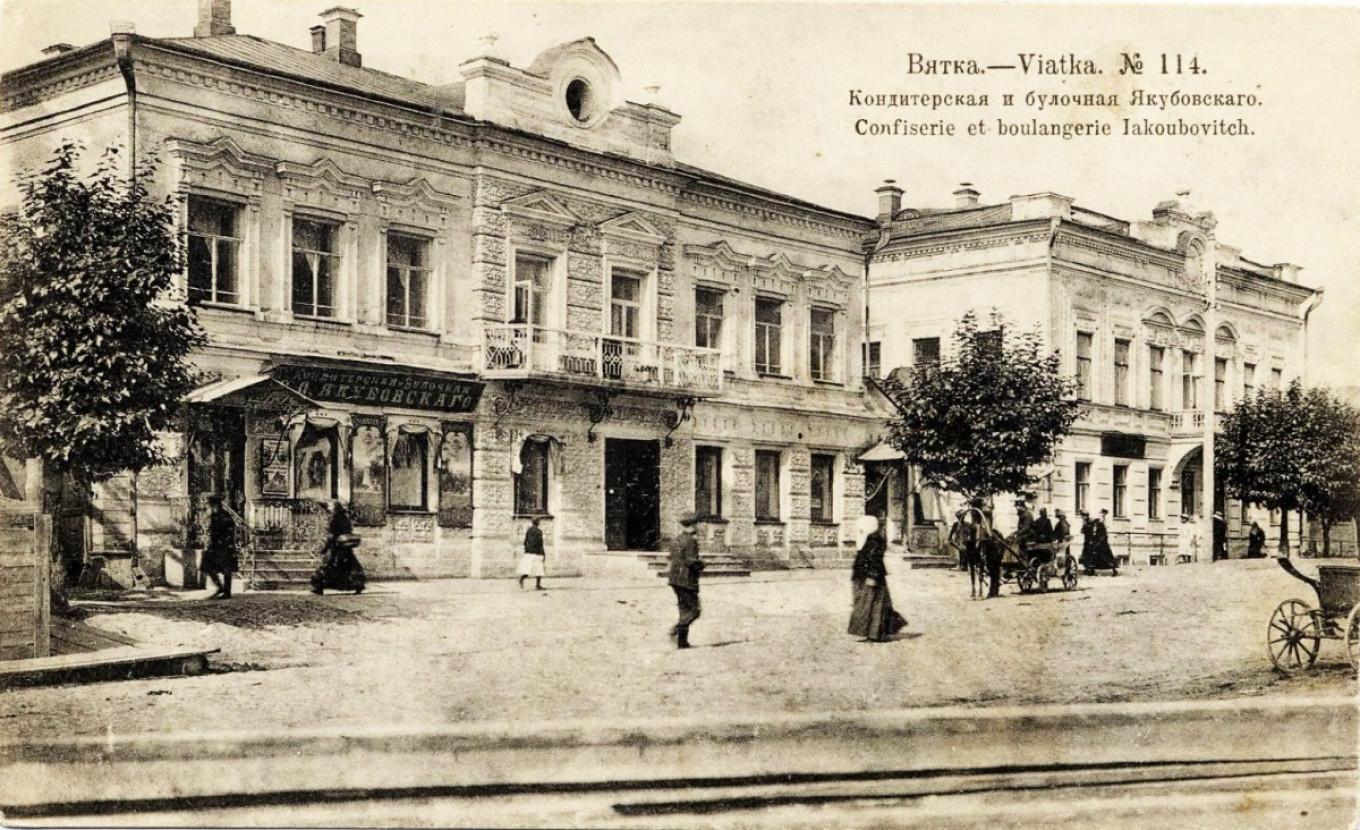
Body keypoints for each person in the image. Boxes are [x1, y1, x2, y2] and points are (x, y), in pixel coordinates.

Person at [848, 514, 907, 641]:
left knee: (873, 606)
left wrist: (872, 576)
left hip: (871, 577)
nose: (858, 530)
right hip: (864, 576)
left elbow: (875, 560)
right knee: (870, 605)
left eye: (861, 528)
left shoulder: (874, 540)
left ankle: (874, 634)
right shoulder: (869, 539)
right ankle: (873, 633)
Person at [311, 499, 366, 595]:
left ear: (335, 508)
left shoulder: (335, 519)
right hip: (345, 548)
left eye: (330, 506)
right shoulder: (345, 517)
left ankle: (319, 587)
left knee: (329, 567)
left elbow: (332, 536)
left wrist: (325, 548)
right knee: (349, 567)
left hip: (336, 548)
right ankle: (358, 585)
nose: (329, 508)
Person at [667, 511, 705, 649]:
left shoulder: (676, 539)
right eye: (697, 524)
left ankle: (682, 642)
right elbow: (690, 561)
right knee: (694, 611)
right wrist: (701, 564)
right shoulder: (691, 541)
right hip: (687, 579)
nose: (698, 527)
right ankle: (676, 630)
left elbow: (672, 557)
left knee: (684, 609)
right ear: (693, 525)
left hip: (675, 579)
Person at [202, 495, 237, 600]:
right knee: (206, 566)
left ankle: (227, 591)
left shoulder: (225, 516)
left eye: (210, 505)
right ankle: (220, 588)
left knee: (227, 569)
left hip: (224, 546)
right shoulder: (215, 515)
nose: (208, 507)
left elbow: (230, 532)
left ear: (215, 505)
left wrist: (228, 544)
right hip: (216, 545)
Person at [517, 517, 547, 590]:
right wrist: (543, 553)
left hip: (529, 553)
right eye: (539, 521)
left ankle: (521, 579)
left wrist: (527, 550)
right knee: (539, 569)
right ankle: (538, 585)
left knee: (527, 568)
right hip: (537, 553)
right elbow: (540, 543)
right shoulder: (539, 531)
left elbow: (525, 542)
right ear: (537, 522)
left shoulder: (529, 530)